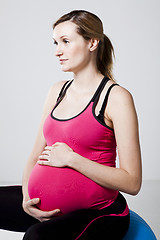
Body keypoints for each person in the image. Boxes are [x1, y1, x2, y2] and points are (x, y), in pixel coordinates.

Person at [0, 10, 142, 240]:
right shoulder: (57, 91)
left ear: (92, 43)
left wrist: (71, 159)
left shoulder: (116, 98)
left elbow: (132, 181)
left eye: (66, 41)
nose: (57, 51)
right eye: (55, 42)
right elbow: (35, 155)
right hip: (46, 208)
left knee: (36, 237)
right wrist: (27, 198)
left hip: (99, 212)